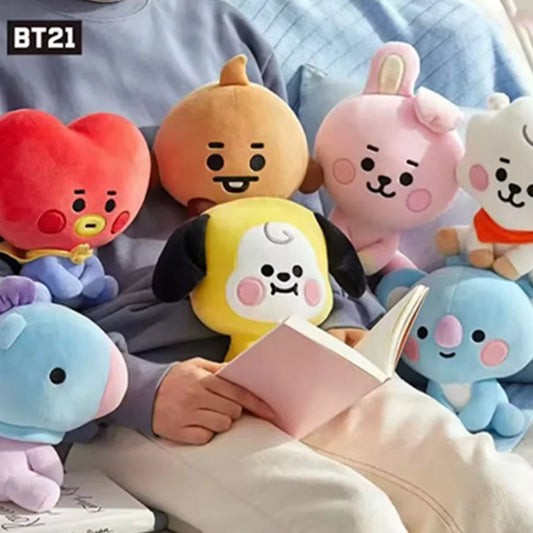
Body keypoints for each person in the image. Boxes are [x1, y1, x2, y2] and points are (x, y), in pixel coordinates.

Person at [1, 1, 533, 532]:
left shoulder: (221, 26)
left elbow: (291, 196)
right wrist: (140, 390)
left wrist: (341, 320)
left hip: (297, 353)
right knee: (352, 518)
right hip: (121, 388)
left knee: (497, 492)